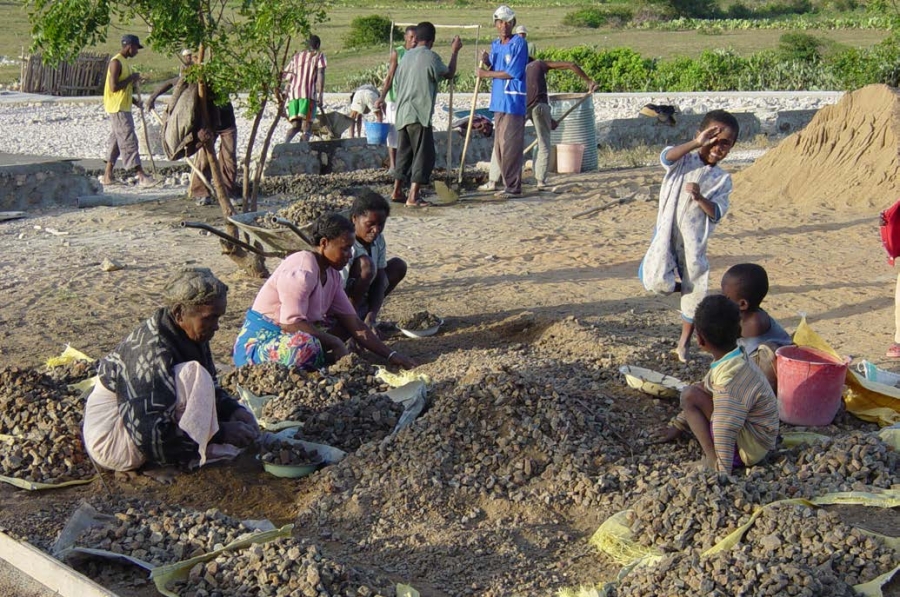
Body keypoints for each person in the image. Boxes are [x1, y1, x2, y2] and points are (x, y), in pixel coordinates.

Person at [83, 269, 259, 483]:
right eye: (210, 318)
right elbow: (147, 431)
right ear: (178, 313)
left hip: (136, 428)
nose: (216, 326)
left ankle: (182, 448)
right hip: (113, 442)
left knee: (200, 381)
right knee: (193, 375)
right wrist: (219, 433)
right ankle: (158, 461)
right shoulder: (151, 351)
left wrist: (234, 410)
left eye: (218, 317)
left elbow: (210, 389)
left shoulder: (191, 334)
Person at [233, 213, 416, 370]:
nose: (350, 255)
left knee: (348, 324)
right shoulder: (302, 270)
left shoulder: (332, 274)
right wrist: (334, 342)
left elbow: (354, 323)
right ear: (324, 243)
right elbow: (290, 324)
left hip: (292, 336)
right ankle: (324, 361)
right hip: (261, 343)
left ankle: (323, 360)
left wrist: (391, 355)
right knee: (305, 346)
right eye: (345, 249)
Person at [639, 109, 740, 362]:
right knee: (653, 280)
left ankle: (683, 343)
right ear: (700, 135)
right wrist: (696, 143)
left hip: (693, 242)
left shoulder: (722, 179)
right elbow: (665, 157)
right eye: (712, 139)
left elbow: (717, 213)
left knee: (695, 288)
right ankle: (678, 286)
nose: (717, 147)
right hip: (666, 232)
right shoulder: (683, 161)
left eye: (725, 143)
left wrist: (699, 197)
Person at [649, 294, 779, 475]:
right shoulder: (736, 358)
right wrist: (678, 426)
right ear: (738, 330)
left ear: (700, 340)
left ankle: (712, 461)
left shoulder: (729, 378)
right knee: (696, 390)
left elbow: (724, 426)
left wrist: (722, 469)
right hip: (760, 436)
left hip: (750, 449)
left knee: (689, 396)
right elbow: (707, 388)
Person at [146, 50, 239, 205]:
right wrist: (152, 98)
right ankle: (201, 192)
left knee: (229, 157)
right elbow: (170, 83)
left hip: (226, 121)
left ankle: (228, 192)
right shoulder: (189, 86)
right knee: (204, 158)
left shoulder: (212, 80)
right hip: (207, 125)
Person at [390, 22, 462, 207]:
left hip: (402, 113)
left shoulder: (406, 57)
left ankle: (397, 190)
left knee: (404, 154)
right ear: (432, 40)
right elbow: (449, 73)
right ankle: (413, 196)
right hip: (418, 114)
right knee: (424, 155)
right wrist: (454, 52)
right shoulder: (431, 57)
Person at [477, 5, 528, 199]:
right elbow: (496, 67)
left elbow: (513, 72)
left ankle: (513, 187)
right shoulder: (496, 45)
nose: (504, 25)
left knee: (510, 146)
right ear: (495, 24)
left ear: (513, 23)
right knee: (499, 147)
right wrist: (487, 62)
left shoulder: (519, 44)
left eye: (508, 22)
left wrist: (485, 74)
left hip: (513, 101)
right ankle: (508, 184)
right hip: (498, 102)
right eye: (500, 22)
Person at [526, 57, 597, 188]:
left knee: (509, 143)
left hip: (519, 106)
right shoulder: (539, 64)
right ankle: (540, 181)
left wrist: (550, 120)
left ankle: (499, 180)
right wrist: (589, 81)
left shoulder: (513, 68)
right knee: (544, 143)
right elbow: (571, 64)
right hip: (539, 106)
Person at [720, 264, 792, 391]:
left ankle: (766, 397)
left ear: (742, 304)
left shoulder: (754, 324)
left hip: (779, 369)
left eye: (726, 297)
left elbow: (740, 354)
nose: (722, 299)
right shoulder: (743, 315)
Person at [341, 191, 407, 327]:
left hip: (364, 295)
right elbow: (337, 290)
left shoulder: (378, 239)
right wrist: (353, 325)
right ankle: (351, 320)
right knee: (366, 265)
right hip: (342, 303)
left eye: (380, 224)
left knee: (398, 266)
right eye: (370, 224)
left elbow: (380, 279)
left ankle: (366, 315)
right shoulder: (345, 245)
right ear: (354, 219)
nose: (376, 230)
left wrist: (372, 315)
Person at [101, 34, 154, 187]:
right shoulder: (116, 62)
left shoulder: (125, 63)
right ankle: (140, 175)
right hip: (117, 108)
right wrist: (131, 78)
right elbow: (114, 87)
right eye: (136, 48)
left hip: (123, 106)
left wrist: (136, 102)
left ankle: (107, 175)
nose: (137, 51)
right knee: (128, 139)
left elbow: (124, 90)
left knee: (117, 140)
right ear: (130, 46)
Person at [377, 25, 418, 173]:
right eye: (411, 37)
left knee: (409, 130)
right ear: (406, 38)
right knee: (393, 130)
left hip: (410, 98)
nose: (414, 40)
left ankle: (408, 164)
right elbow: (390, 76)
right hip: (395, 98)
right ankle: (393, 165)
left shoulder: (419, 54)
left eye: (416, 38)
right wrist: (382, 97)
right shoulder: (398, 53)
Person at [284, 35, 326, 143]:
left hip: (293, 96)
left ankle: (285, 144)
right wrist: (320, 95)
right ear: (317, 45)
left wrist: (285, 95)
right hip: (307, 94)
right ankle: (303, 148)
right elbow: (320, 74)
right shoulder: (318, 55)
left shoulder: (296, 56)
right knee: (307, 126)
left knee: (296, 126)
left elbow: (288, 77)